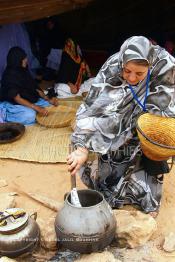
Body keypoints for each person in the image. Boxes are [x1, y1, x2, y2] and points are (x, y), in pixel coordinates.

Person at [67, 36, 175, 217]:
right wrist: (82, 147)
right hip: (117, 124)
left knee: (149, 154)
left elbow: (170, 100)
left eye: (139, 74)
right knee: (114, 154)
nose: (132, 78)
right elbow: (94, 107)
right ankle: (112, 197)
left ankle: (147, 200)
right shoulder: (112, 67)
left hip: (151, 122)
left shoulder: (166, 66)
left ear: (151, 64)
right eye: (127, 71)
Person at [0, 46, 58, 125]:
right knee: (30, 115)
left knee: (49, 107)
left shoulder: (23, 70)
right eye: (24, 58)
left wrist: (46, 98)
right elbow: (17, 98)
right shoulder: (9, 76)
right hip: (13, 103)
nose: (26, 60)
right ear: (17, 60)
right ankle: (7, 116)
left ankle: (34, 109)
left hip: (28, 99)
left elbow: (34, 87)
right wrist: (35, 107)